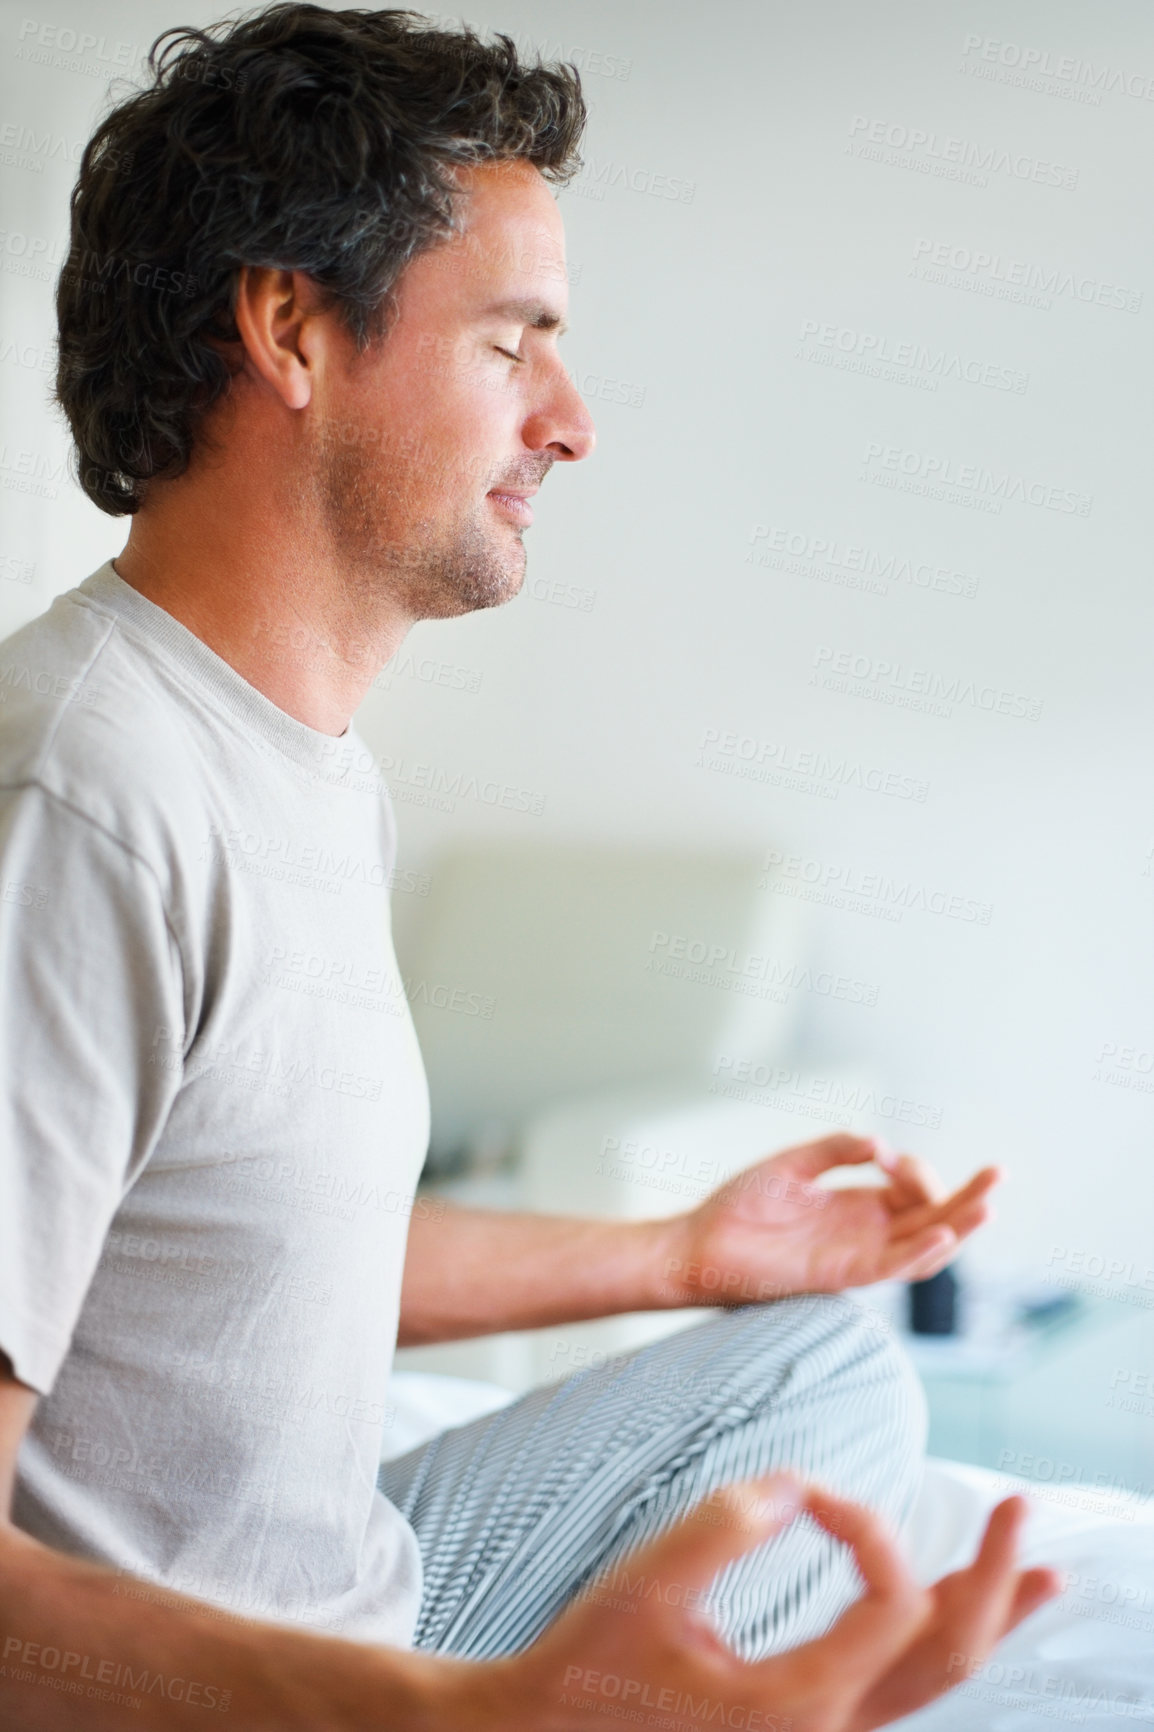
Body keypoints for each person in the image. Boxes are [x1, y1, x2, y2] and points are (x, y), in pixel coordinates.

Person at [0, 6, 1060, 1727]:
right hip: (219, 1684)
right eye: (514, 343)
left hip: (364, 1594)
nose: (570, 420)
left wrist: (683, 1257)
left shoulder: (302, 772)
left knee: (811, 1372)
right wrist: (447, 1716)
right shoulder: (86, 791)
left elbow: (240, 1257)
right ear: (292, 332)